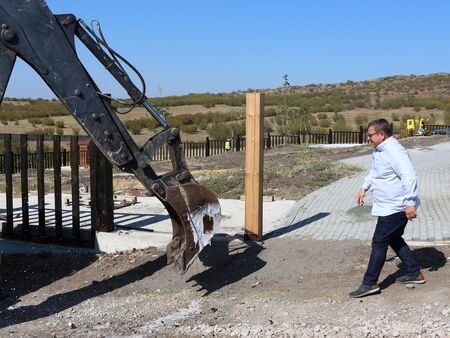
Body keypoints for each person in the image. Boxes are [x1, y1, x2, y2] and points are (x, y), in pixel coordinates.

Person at [349, 118, 425, 298]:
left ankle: (370, 283)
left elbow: (409, 177)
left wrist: (409, 203)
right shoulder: (380, 150)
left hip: (396, 206)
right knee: (394, 238)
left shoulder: (396, 151)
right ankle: (415, 272)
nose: (368, 138)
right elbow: (375, 172)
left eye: (370, 135)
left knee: (379, 242)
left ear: (381, 134)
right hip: (387, 205)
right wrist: (364, 187)